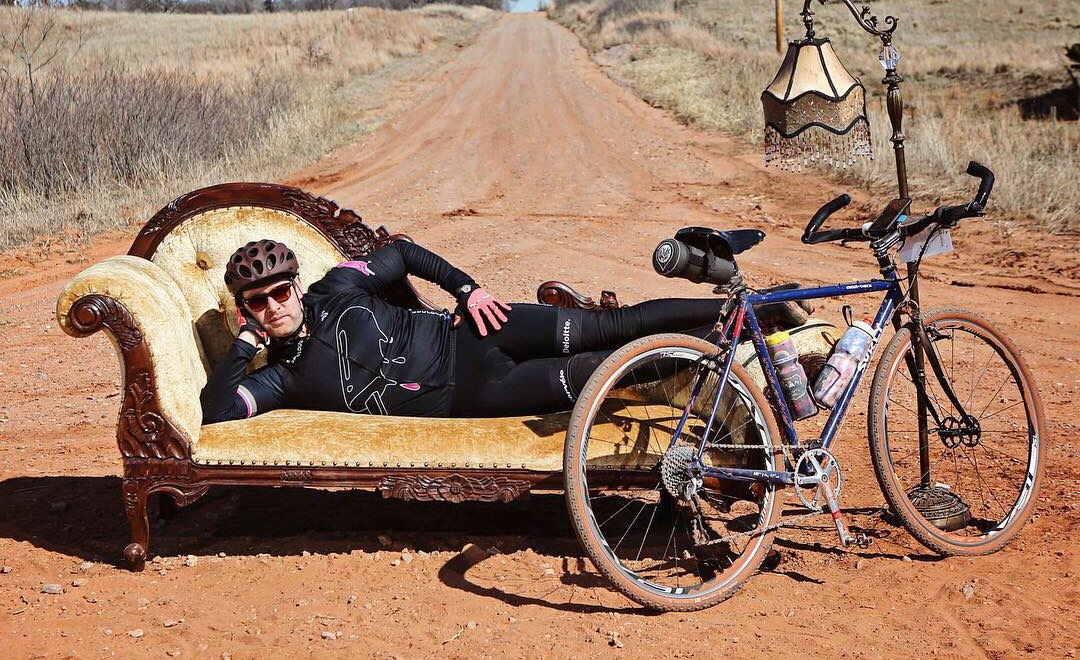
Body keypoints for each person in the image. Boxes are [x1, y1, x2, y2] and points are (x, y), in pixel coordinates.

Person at [200, 236, 801, 424]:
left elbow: (404, 253)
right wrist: (247, 345)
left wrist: (467, 289)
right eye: (260, 301)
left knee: (610, 325)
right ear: (246, 308)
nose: (276, 305)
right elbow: (218, 411)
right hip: (480, 395)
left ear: (297, 286)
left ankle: (749, 310)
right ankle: (731, 345)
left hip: (479, 331)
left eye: (281, 292)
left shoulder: (335, 287)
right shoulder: (280, 379)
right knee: (604, 371)